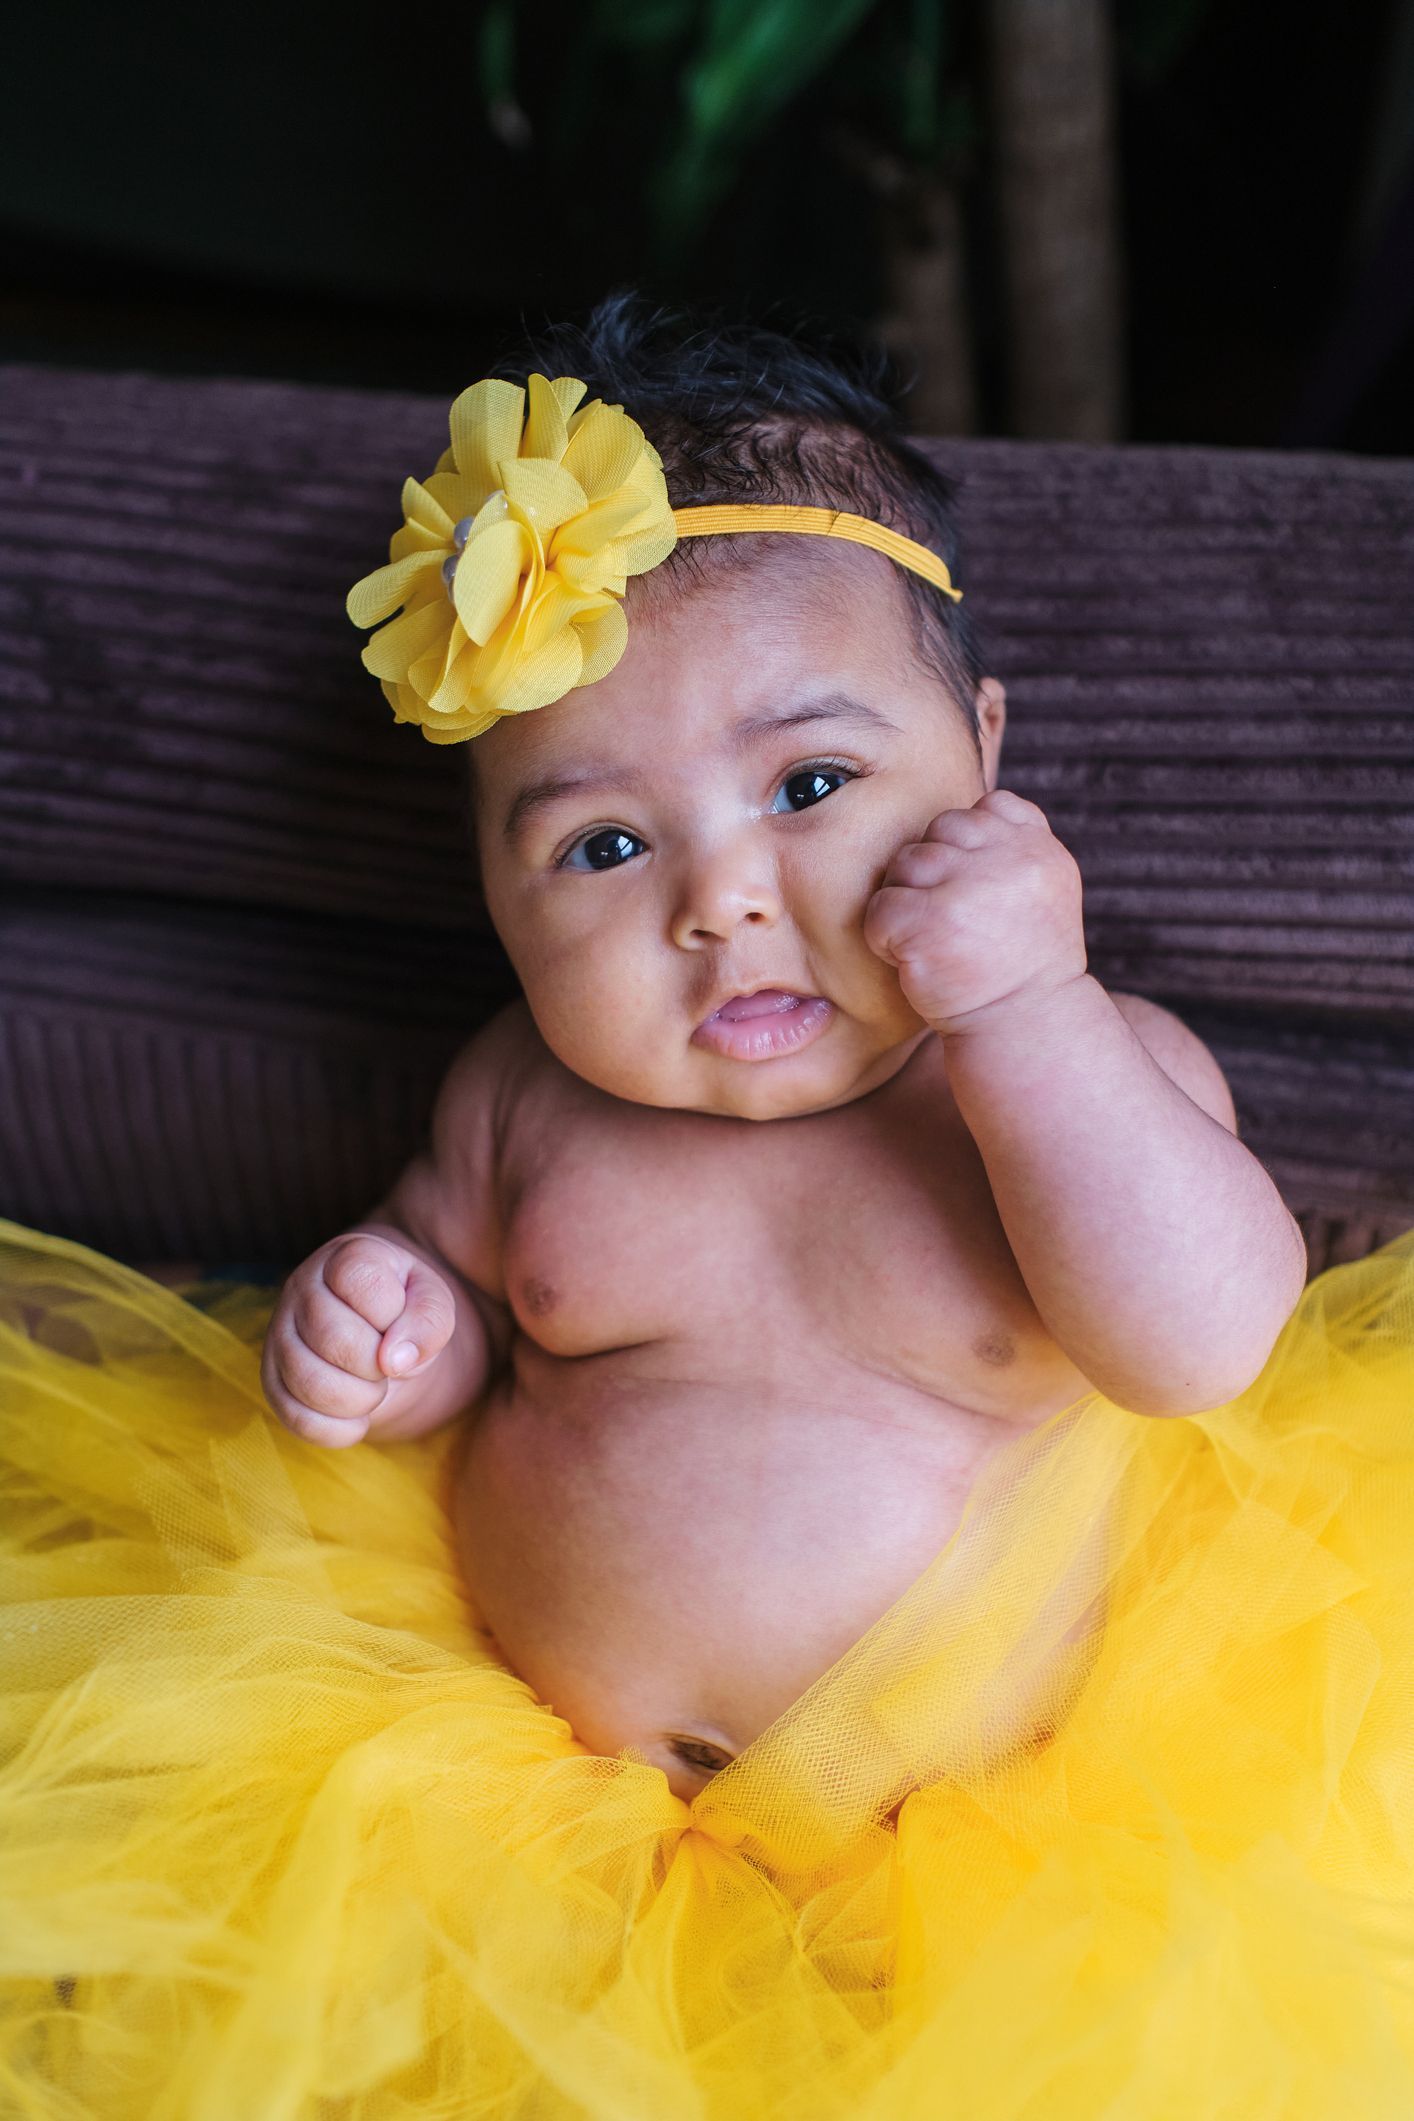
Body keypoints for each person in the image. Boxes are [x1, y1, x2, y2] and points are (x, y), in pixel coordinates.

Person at [4, 292, 1413, 2118]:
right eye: (603, 842)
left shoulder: (1070, 1073)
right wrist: (390, 1330)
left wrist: (1030, 1007)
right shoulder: (524, 1100)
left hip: (1013, 1852)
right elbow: (453, 1294)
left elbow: (1201, 1341)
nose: (720, 900)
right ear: (490, 882)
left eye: (810, 785)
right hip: (536, 1821)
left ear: (980, 751)